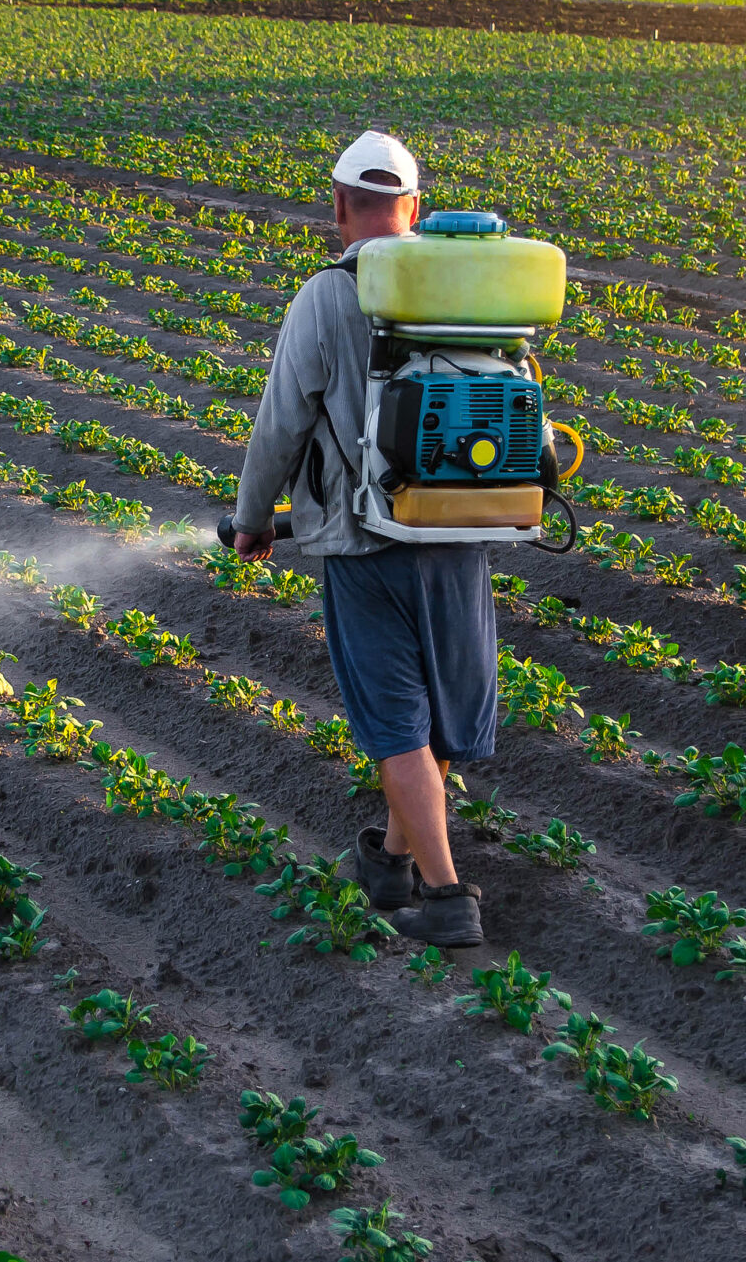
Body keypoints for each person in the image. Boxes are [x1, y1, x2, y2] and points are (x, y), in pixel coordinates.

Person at [228, 130, 494, 948]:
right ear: (415, 208)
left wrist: (250, 519)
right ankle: (385, 859)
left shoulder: (327, 296)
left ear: (340, 207)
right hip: (459, 533)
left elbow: (280, 425)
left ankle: (446, 895)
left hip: (362, 540)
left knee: (394, 720)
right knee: (431, 719)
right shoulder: (472, 286)